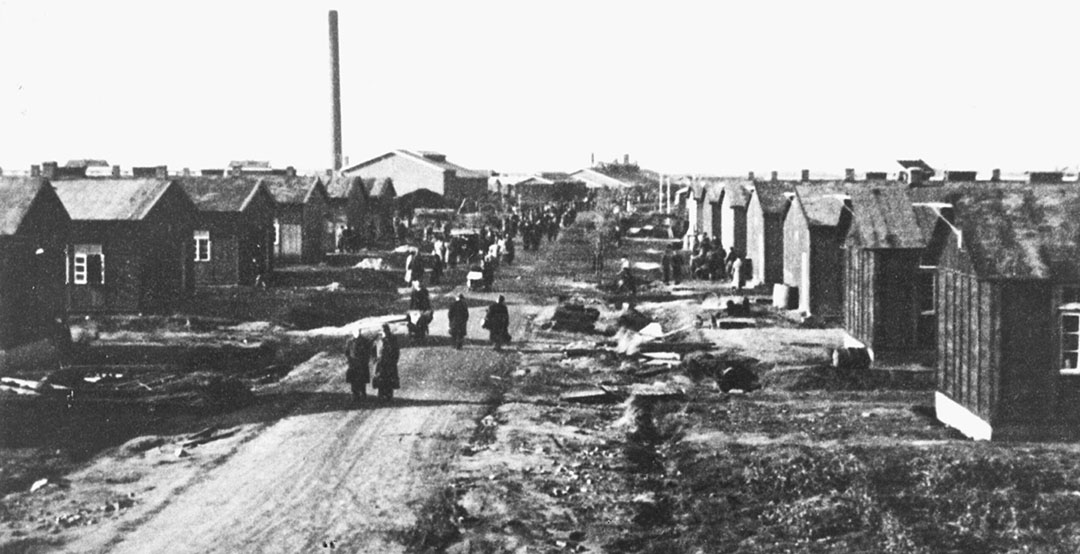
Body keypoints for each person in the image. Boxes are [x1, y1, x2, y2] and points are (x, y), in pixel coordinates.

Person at [372, 324, 400, 400]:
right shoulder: (378, 340)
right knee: (380, 379)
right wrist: (375, 360)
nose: (384, 332)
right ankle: (381, 395)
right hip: (380, 363)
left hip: (390, 362)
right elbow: (374, 350)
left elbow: (396, 351)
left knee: (389, 379)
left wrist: (394, 360)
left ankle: (388, 395)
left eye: (385, 330)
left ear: (388, 330)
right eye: (382, 331)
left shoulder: (393, 339)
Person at [344, 330, 373, 403]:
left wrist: (365, 360)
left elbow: (368, 352)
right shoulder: (350, 341)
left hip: (362, 363)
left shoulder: (365, 341)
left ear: (360, 331)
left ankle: (363, 395)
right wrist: (349, 360)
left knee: (362, 380)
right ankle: (355, 396)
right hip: (353, 364)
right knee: (353, 380)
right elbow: (347, 352)